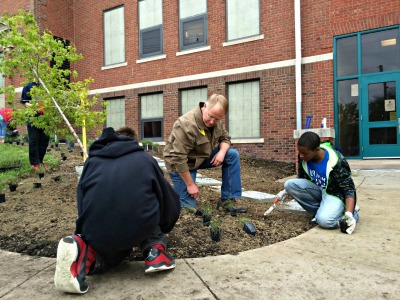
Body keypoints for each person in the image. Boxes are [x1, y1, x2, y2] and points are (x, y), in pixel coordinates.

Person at [54, 127, 180, 294]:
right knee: (149, 212)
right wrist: (165, 225)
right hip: (140, 226)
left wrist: (85, 232)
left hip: (98, 231)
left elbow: (82, 202)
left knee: (109, 257)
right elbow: (166, 198)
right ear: (133, 141)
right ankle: (154, 251)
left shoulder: (91, 162)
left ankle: (84, 250)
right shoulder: (145, 159)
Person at [163, 93, 247, 214]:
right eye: (211, 116)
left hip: (200, 156)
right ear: (204, 107)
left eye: (217, 119)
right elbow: (178, 158)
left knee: (232, 155)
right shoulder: (185, 124)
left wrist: (222, 152)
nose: (213, 121)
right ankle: (171, 194)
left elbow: (225, 138)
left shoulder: (217, 121)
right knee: (187, 209)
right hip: (180, 164)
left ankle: (228, 200)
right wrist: (190, 184)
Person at [282, 131, 359, 234]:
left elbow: (349, 189)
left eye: (304, 153)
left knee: (325, 221)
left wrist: (349, 213)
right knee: (289, 184)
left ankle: (350, 214)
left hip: (335, 194)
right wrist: (285, 191)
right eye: (299, 152)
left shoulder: (336, 161)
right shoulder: (304, 158)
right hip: (319, 189)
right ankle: (322, 212)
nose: (301, 156)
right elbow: (301, 179)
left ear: (316, 150)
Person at [20, 82, 50, 170]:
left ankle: (40, 161)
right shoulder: (28, 87)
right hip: (33, 119)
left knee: (44, 141)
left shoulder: (45, 86)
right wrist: (37, 106)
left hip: (45, 119)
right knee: (34, 141)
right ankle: (34, 163)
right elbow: (25, 103)